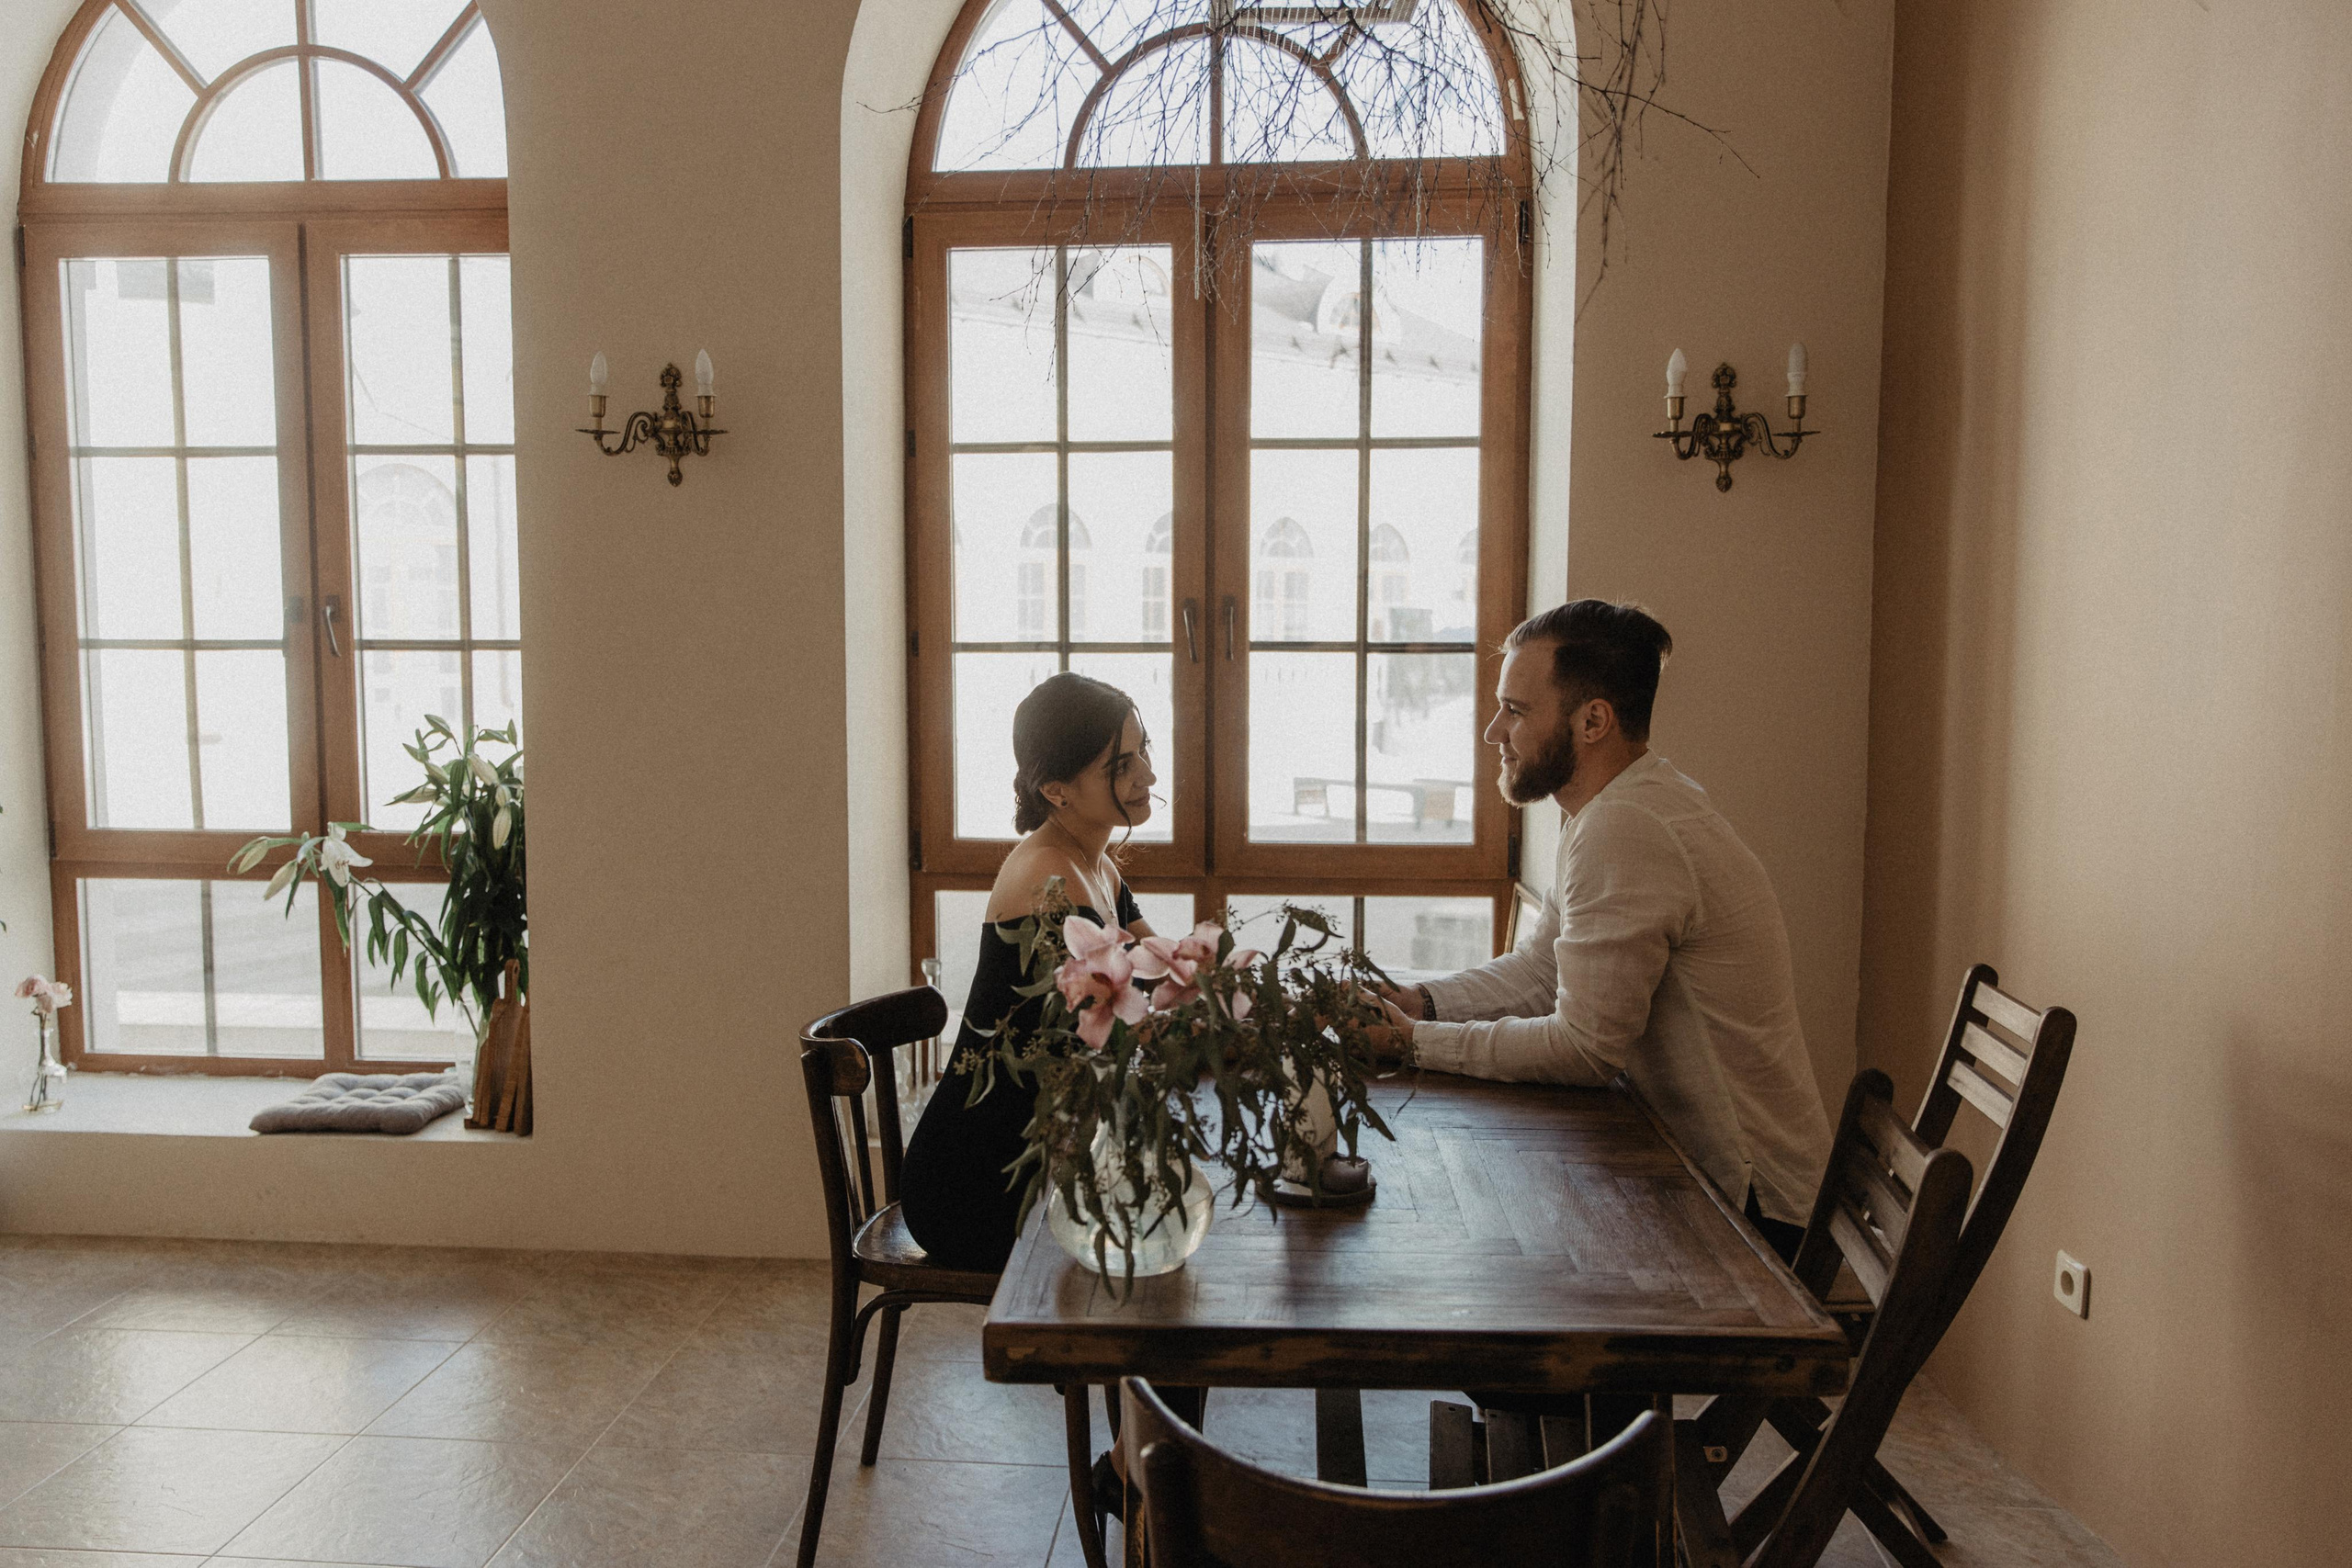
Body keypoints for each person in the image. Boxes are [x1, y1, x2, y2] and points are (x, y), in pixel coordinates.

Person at [1368, 600, 1832, 1260]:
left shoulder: (1625, 827)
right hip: (1698, 1177)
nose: (1493, 730)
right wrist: (1424, 1002)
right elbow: (1542, 968)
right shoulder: (1616, 807)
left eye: (1517, 710)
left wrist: (1415, 1044)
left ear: (1593, 720)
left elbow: (1585, 1051)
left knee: (1509, 1270)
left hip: (1752, 1217)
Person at [899, 671, 1159, 1273]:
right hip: (975, 1182)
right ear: (1057, 789)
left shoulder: (1098, 868)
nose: (1146, 774)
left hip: (1043, 1152)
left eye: (1143, 748)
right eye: (1121, 764)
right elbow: (1118, 1029)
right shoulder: (1050, 876)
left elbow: (1164, 972)